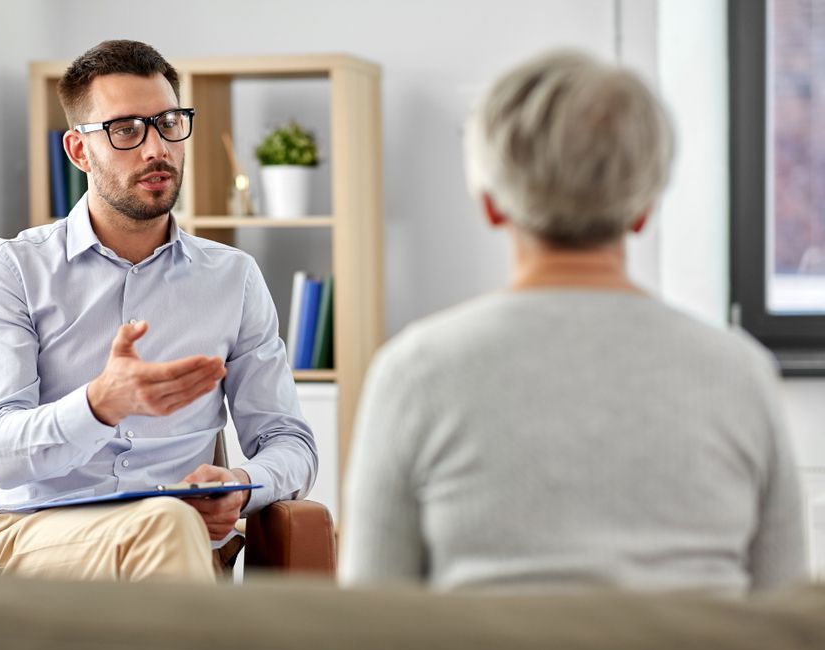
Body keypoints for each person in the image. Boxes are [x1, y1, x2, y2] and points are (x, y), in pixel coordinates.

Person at [339, 51, 806, 593]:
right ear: (644, 208)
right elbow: (785, 617)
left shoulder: (414, 373)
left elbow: (373, 621)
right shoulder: (739, 374)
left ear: (490, 204)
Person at [0, 40, 317, 583]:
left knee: (167, 524)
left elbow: (289, 442)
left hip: (186, 539)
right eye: (126, 129)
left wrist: (242, 484)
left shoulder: (234, 277)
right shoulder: (10, 269)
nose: (157, 148)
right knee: (165, 525)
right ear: (79, 151)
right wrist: (99, 404)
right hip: (34, 537)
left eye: (169, 122)